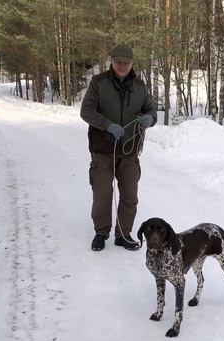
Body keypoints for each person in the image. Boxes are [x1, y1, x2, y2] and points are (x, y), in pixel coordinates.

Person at [80, 43, 157, 252]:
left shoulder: (140, 86)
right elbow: (86, 111)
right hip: (102, 149)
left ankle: (123, 235)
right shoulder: (98, 82)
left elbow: (150, 109)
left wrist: (150, 118)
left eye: (126, 63)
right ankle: (101, 232)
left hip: (129, 151)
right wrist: (107, 125)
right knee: (103, 194)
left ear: (131, 63)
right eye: (118, 62)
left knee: (130, 195)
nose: (122, 66)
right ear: (112, 62)